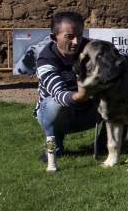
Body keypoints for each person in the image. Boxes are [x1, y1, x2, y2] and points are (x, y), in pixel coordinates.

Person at [34, 12, 100, 161]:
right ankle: (54, 149)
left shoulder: (91, 48)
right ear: (53, 38)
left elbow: (118, 59)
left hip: (88, 113)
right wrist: (82, 92)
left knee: (119, 93)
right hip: (57, 118)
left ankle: (106, 144)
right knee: (55, 103)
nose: (76, 42)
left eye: (80, 35)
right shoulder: (46, 61)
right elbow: (59, 94)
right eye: (69, 37)